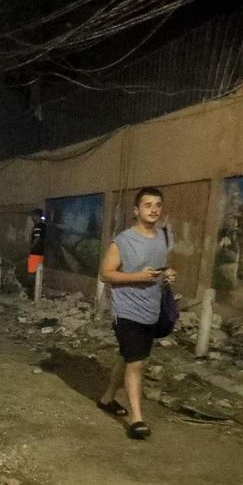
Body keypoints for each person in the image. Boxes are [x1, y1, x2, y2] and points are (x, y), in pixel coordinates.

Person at [97, 186, 176, 439]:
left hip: (151, 309)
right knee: (137, 363)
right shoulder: (123, 241)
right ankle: (136, 419)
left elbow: (161, 266)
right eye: (147, 205)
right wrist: (137, 277)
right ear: (136, 210)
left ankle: (107, 398)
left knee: (128, 356)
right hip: (127, 310)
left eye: (157, 205)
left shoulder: (164, 236)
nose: (153, 209)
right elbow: (106, 273)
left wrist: (168, 274)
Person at [27, 208, 47, 294]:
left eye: (33, 215)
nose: (32, 218)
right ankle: (37, 291)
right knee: (38, 272)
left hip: (35, 253)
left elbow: (37, 238)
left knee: (31, 271)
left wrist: (31, 248)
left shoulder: (37, 227)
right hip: (41, 252)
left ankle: (31, 291)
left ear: (37, 216)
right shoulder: (44, 226)